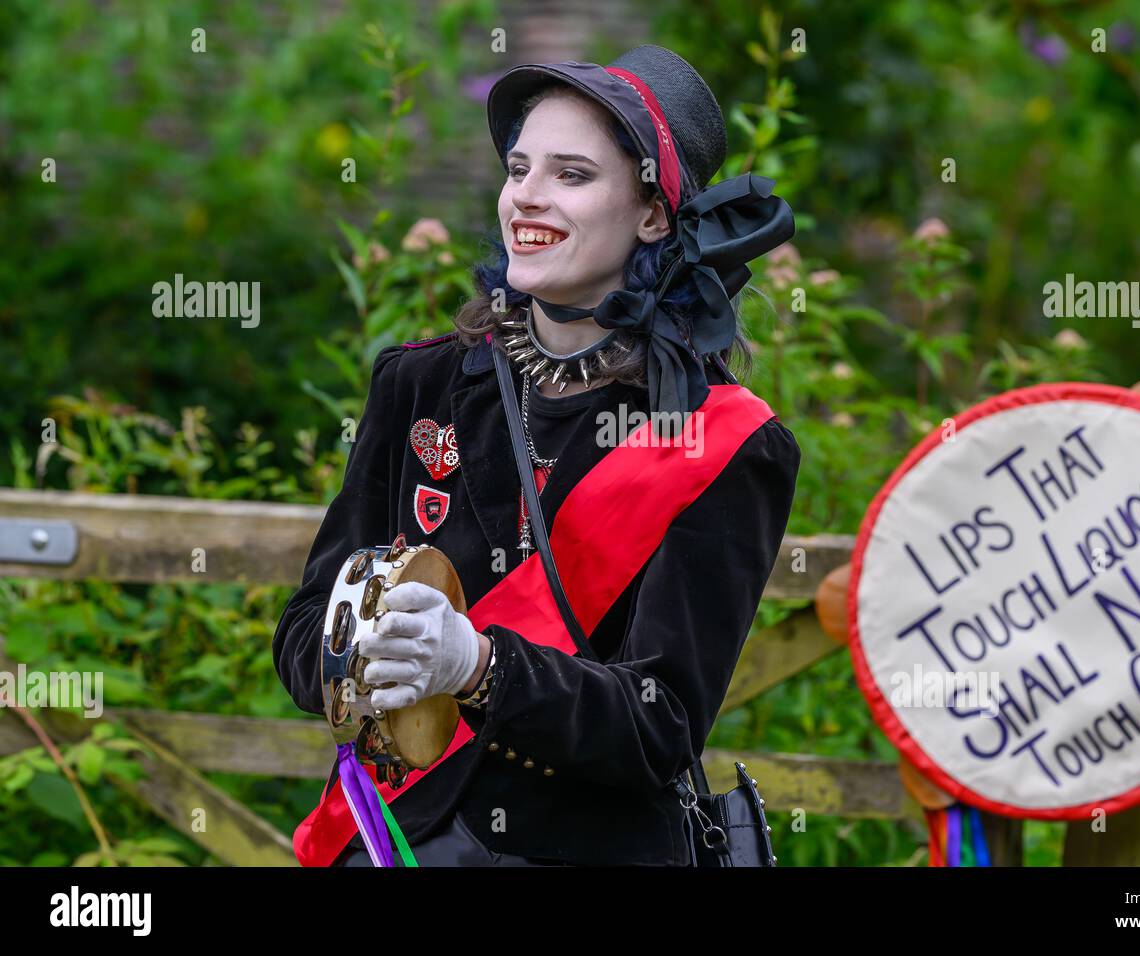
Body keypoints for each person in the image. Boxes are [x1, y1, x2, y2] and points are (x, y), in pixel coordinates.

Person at [273, 43, 800, 867]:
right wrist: (362, 654)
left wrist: (478, 665)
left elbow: (657, 730)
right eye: (519, 168)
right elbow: (304, 633)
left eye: (572, 175)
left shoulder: (727, 440)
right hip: (398, 841)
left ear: (654, 214)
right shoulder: (420, 383)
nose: (527, 196)